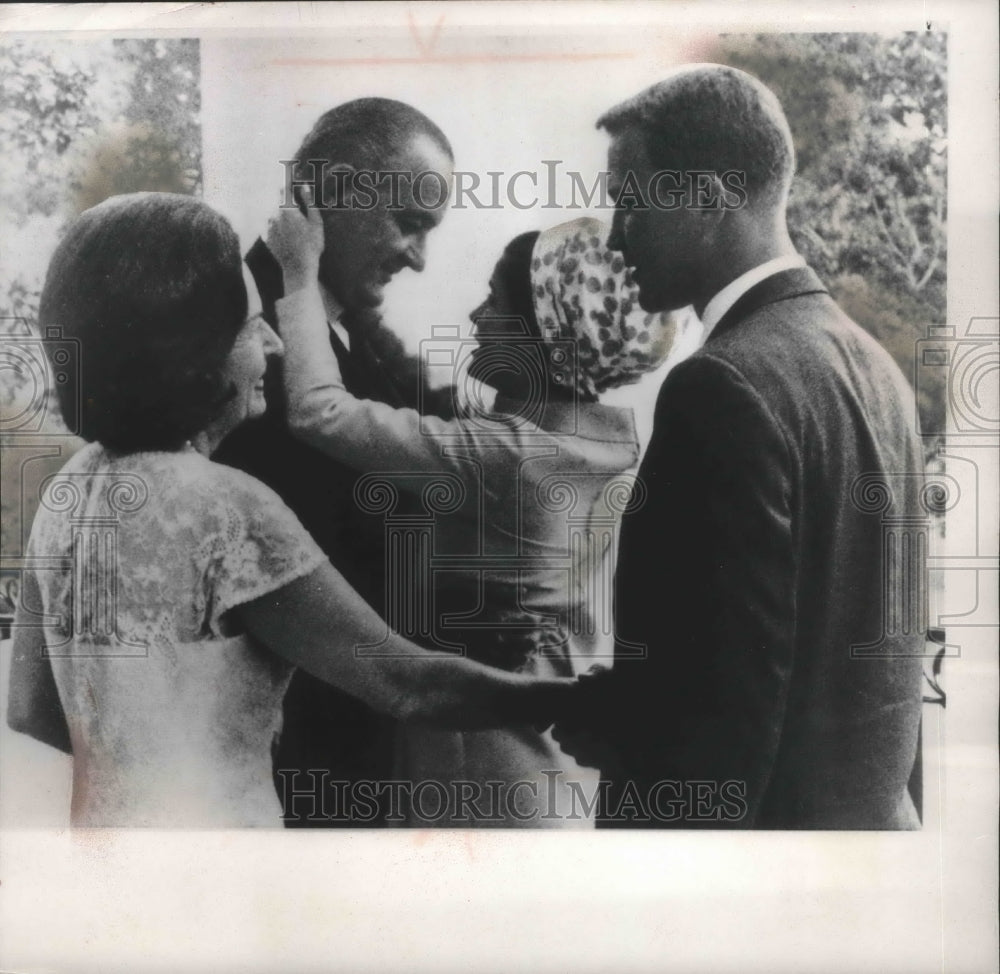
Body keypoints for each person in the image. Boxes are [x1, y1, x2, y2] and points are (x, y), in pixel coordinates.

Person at [5, 192, 574, 828]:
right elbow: (407, 684)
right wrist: (584, 700)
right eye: (252, 326)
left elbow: (29, 710)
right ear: (197, 356)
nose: (275, 344)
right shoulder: (229, 506)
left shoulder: (68, 485)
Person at [553, 64, 926, 829]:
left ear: (708, 197)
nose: (617, 237)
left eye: (632, 203)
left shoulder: (719, 384)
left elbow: (716, 723)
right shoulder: (873, 364)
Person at [268, 206, 691, 826]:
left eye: (494, 303)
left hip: (483, 772)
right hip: (546, 770)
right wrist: (365, 316)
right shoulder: (595, 446)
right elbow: (433, 405)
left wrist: (300, 277)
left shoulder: (508, 456)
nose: (475, 318)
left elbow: (320, 412)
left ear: (541, 334)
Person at [214, 99, 458, 826]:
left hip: (363, 747)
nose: (418, 257)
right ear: (332, 192)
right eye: (409, 223)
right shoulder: (235, 325)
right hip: (292, 764)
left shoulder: (349, 331)